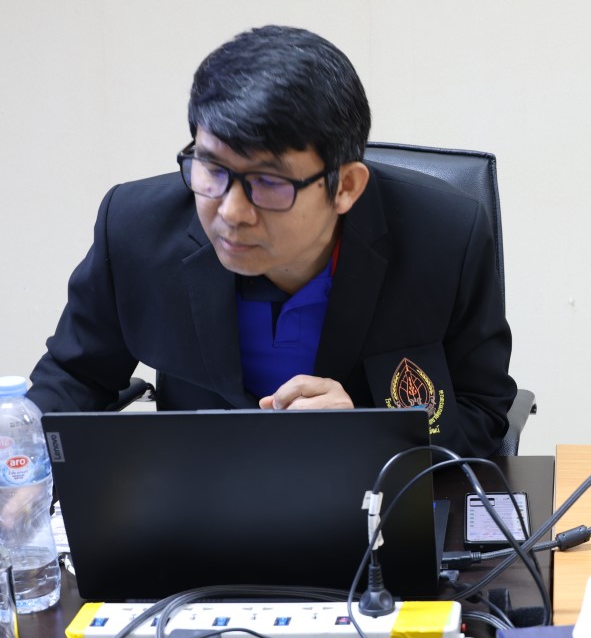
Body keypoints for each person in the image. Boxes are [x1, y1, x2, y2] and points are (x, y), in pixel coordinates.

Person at [28, 25, 517, 457]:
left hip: (367, 504)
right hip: (192, 500)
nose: (231, 212)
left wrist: (370, 433)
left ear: (345, 187)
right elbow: (76, 375)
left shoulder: (443, 237)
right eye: (212, 168)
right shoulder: (136, 227)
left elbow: (482, 410)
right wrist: (18, 455)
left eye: (269, 182)